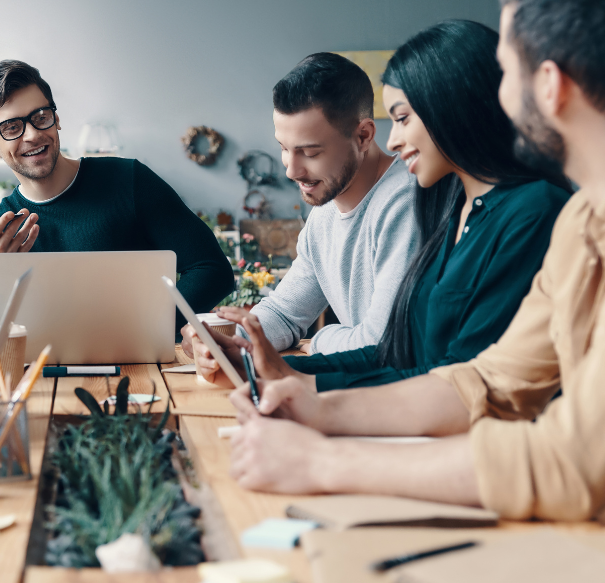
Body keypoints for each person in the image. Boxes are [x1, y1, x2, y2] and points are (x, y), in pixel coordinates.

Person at [219, 0, 605, 535]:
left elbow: (572, 459)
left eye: (507, 72)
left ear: (550, 87)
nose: (496, 95)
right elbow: (485, 380)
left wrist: (321, 460)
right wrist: (314, 406)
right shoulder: (582, 221)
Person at [191, 21, 571, 391]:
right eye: (283, 149)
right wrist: (248, 355)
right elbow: (407, 358)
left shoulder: (452, 203)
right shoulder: (458, 211)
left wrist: (315, 356)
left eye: (403, 118)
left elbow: (427, 368)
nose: (291, 170)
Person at [0, 59, 234, 338]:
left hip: (140, 374)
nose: (32, 134)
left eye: (41, 116)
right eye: (11, 127)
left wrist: (145, 329)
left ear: (57, 118)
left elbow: (211, 270)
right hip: (42, 378)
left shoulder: (129, 181)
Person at [183, 53, 420, 364]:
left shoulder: (405, 203)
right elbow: (284, 312)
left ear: (363, 136)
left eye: (309, 152)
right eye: (283, 148)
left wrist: (320, 340)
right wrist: (230, 342)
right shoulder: (324, 211)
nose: (291, 171)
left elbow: (384, 345)